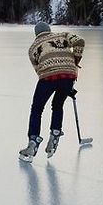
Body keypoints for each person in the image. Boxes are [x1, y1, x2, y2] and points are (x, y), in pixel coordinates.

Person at [19, 22, 85, 162]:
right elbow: (80, 41)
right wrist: (75, 60)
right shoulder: (63, 35)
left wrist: (51, 76)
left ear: (36, 33)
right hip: (68, 76)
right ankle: (55, 133)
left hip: (48, 78)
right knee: (57, 105)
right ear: (49, 30)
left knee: (37, 109)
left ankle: (33, 142)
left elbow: (38, 69)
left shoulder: (33, 48)